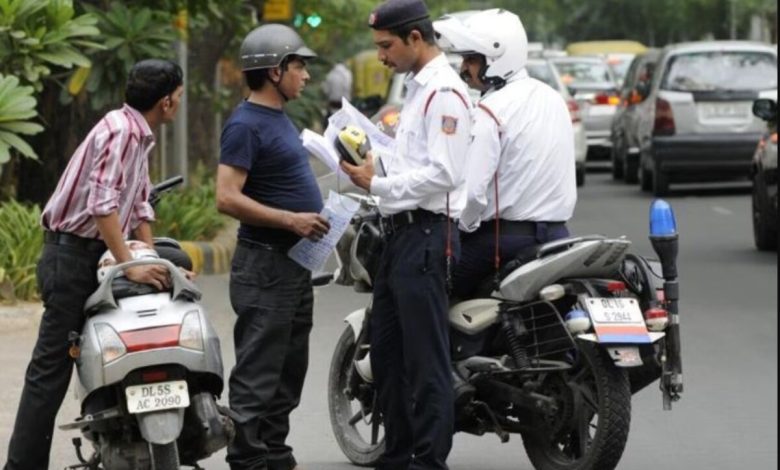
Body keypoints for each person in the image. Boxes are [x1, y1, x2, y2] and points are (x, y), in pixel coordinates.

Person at [3, 58, 184, 470]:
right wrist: (131, 267)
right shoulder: (121, 132)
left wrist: (153, 261)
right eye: (178, 93)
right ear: (167, 102)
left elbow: (138, 205)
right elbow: (102, 206)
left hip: (94, 254)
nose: (178, 100)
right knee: (50, 371)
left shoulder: (138, 135)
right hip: (70, 258)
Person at [339, 0, 472, 468]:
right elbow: (414, 160)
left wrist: (377, 182)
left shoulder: (446, 94)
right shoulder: (418, 91)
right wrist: (377, 162)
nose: (381, 56)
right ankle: (395, 453)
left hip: (426, 237)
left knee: (425, 358)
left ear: (415, 38)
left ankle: (429, 459)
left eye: (386, 45)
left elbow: (445, 174)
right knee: (389, 355)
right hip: (398, 236)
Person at [215, 24, 330, 470]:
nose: (305, 75)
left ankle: (274, 451)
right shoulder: (244, 124)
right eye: (299, 66)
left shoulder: (279, 118)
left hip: (292, 265)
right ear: (275, 70)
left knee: (289, 368)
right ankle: (247, 459)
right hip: (264, 265)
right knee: (259, 369)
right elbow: (226, 197)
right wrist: (291, 219)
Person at [435, 9, 577, 299]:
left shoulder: (491, 110)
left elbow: (473, 194)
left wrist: (459, 227)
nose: (464, 68)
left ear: (497, 58)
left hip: (501, 242)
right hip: (559, 237)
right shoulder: (552, 97)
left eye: (472, 59)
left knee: (429, 291)